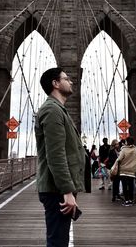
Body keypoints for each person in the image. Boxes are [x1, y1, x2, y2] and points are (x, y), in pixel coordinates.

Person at [35, 67, 86, 247]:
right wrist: (67, 191)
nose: (71, 81)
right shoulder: (52, 111)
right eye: (66, 78)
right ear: (55, 84)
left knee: (60, 240)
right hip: (57, 190)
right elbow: (55, 155)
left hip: (58, 188)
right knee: (57, 242)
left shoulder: (58, 109)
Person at [117, 136, 136, 206]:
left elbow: (119, 159)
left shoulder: (123, 150)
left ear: (126, 142)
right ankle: (131, 200)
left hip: (123, 171)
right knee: (130, 186)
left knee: (124, 186)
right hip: (132, 172)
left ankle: (126, 201)